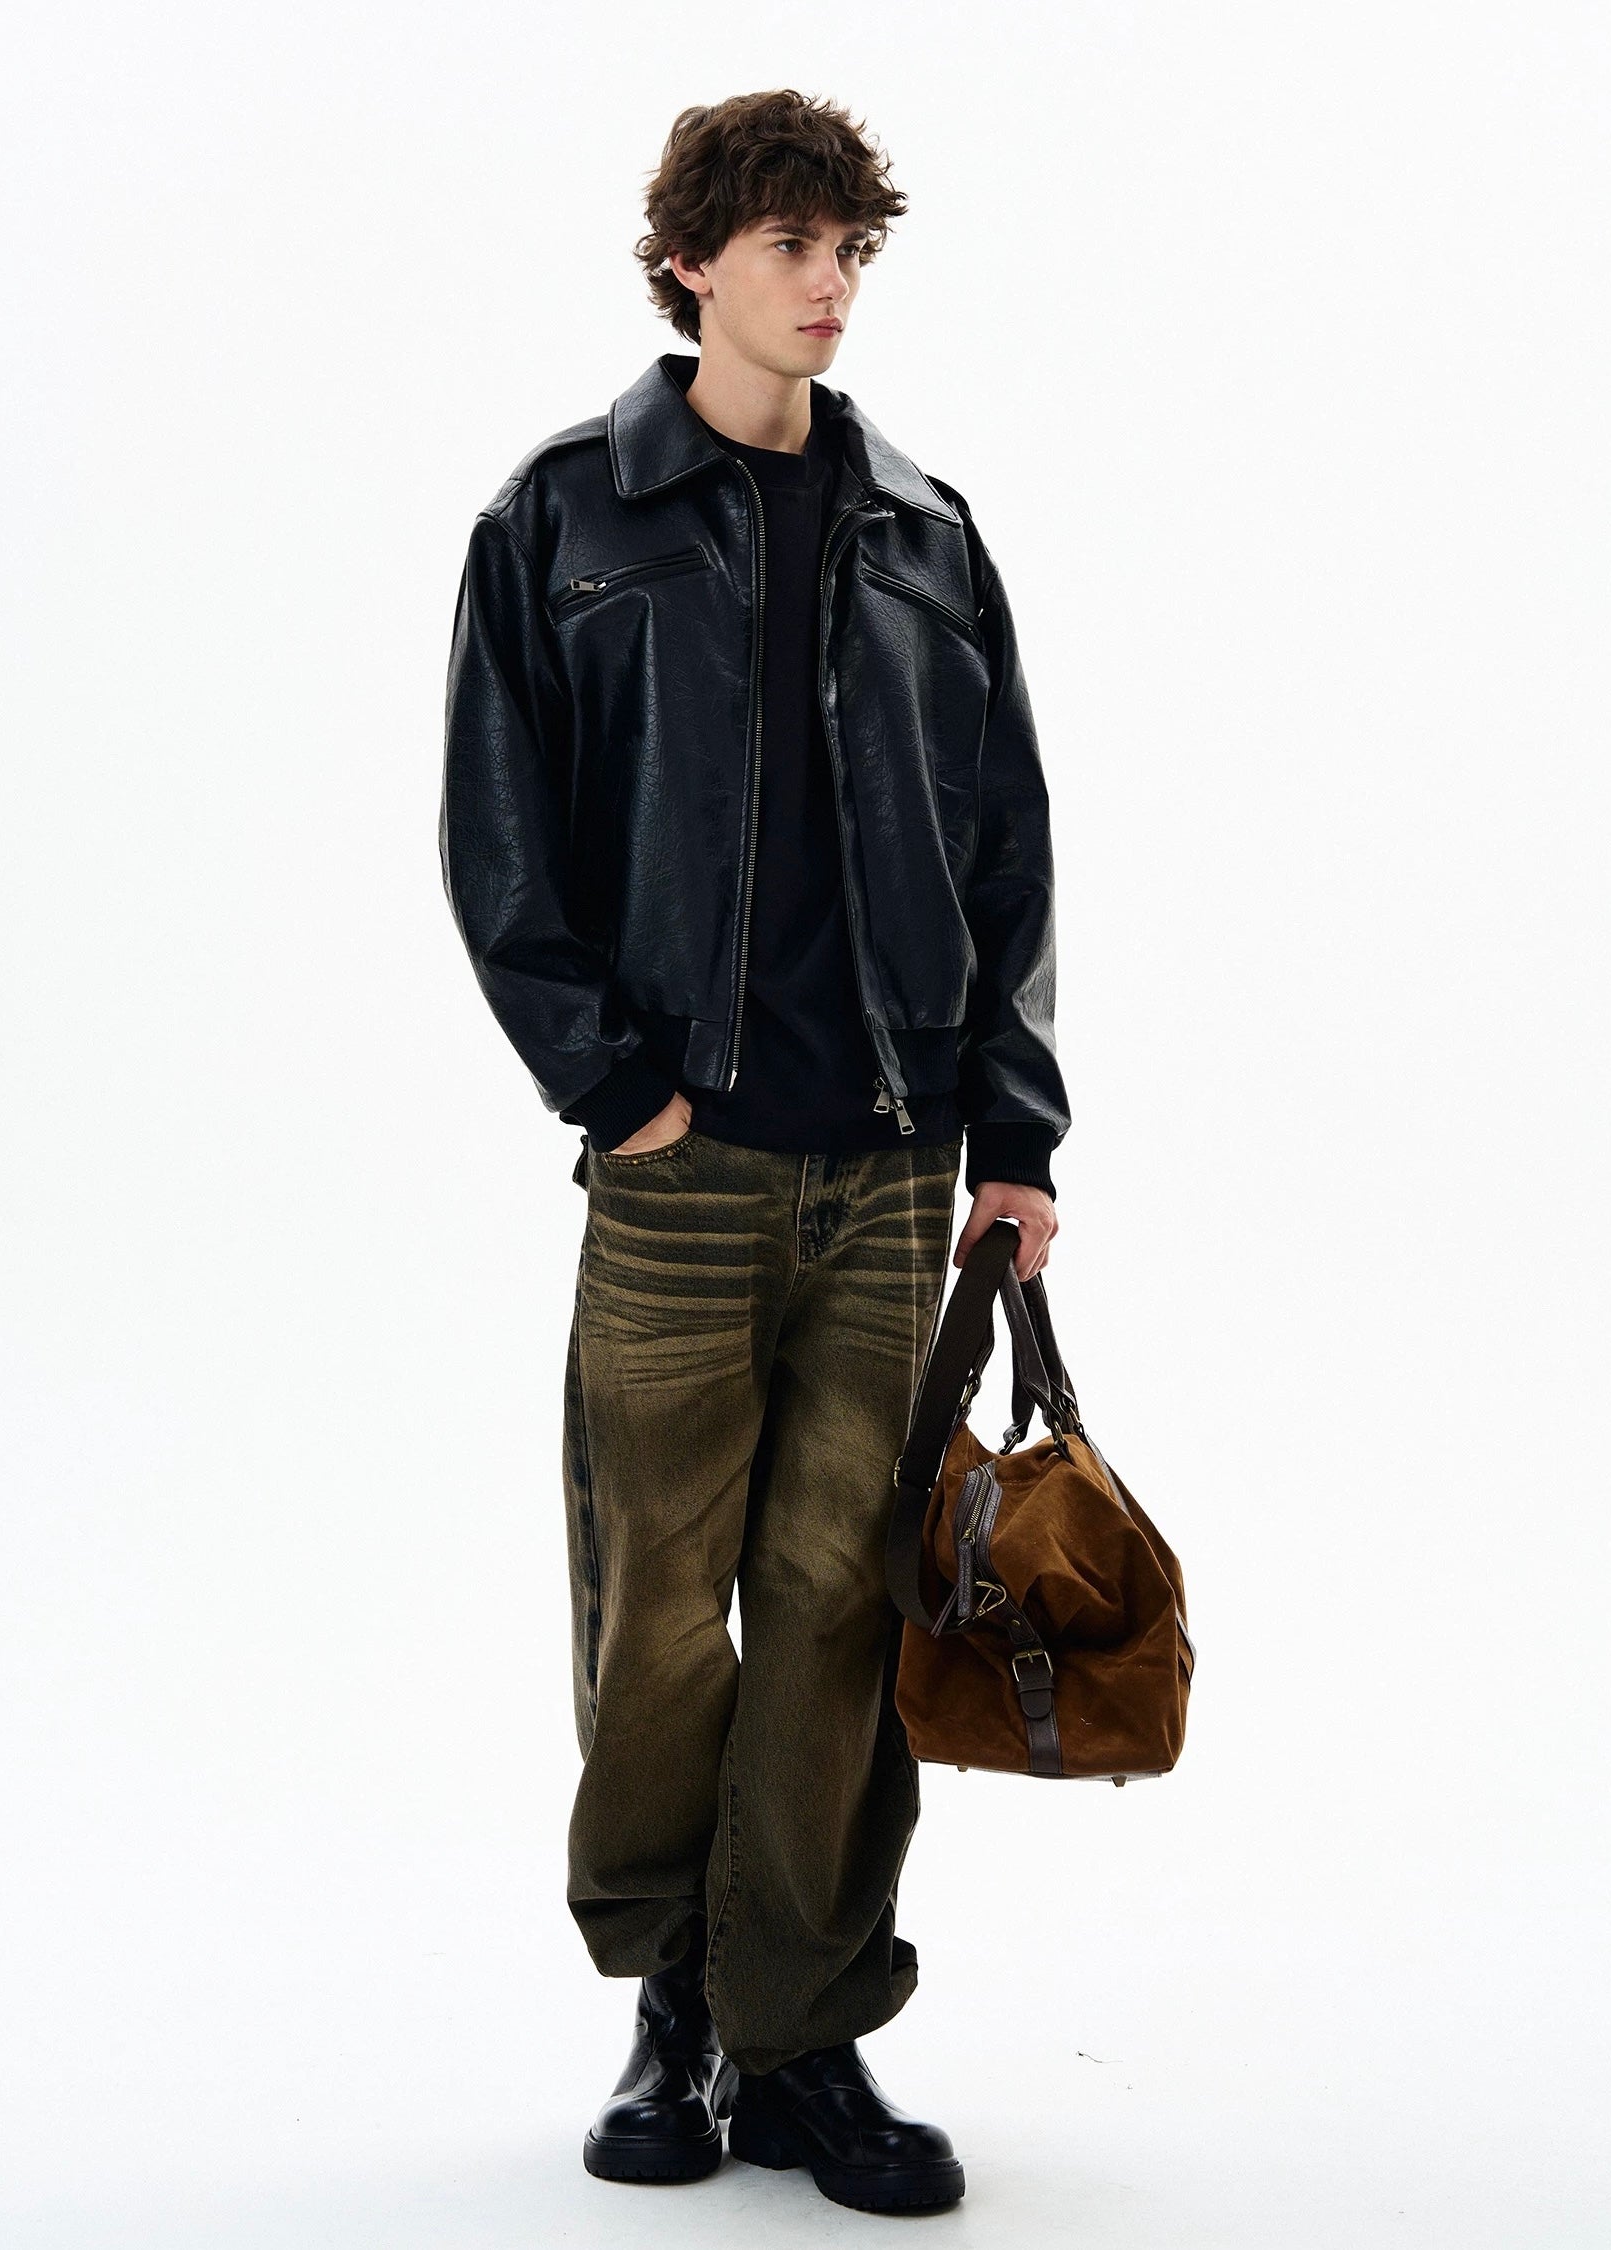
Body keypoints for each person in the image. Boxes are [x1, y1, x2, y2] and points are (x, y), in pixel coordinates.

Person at [439, 87, 1068, 2216]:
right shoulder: (565, 518)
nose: (828, 283)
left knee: (830, 1614)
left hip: (891, 1173)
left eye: (850, 249)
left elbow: (1009, 852)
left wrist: (1012, 1131)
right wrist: (611, 1084)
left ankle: (798, 2032)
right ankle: (671, 2003)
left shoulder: (926, 533)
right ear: (692, 261)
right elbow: (497, 835)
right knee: (654, 1614)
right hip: (679, 1175)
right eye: (791, 244)